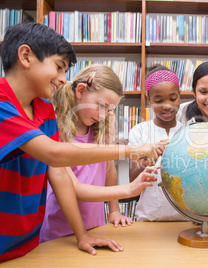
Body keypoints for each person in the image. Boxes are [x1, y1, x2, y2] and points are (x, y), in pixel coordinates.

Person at [0, 22, 160, 262]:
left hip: (29, 240)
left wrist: (82, 235)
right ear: (25, 56)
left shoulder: (44, 111)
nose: (64, 79)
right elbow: (54, 154)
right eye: (59, 67)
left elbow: (59, 174)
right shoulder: (3, 105)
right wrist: (130, 151)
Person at [39, 64, 156, 242]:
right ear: (80, 91)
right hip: (59, 232)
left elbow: (109, 170)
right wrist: (129, 189)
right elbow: (74, 190)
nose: (103, 115)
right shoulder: (56, 130)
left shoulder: (102, 128)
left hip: (96, 226)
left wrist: (114, 210)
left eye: (109, 110)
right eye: (101, 105)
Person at [128, 65, 187, 221]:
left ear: (180, 96)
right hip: (148, 218)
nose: (167, 105)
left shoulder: (189, 132)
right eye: (158, 100)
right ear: (148, 100)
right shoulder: (139, 131)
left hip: (185, 219)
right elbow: (132, 180)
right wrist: (149, 159)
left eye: (173, 99)